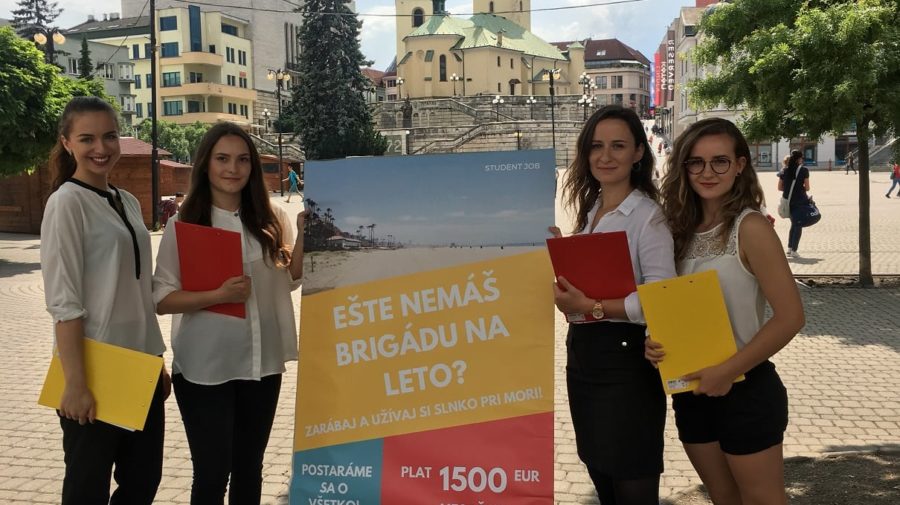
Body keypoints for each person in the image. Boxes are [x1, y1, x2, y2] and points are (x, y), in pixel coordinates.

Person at [649, 117, 805, 505]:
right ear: (683, 167)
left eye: (720, 161)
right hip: (691, 390)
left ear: (739, 165)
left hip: (745, 389)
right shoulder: (676, 230)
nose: (707, 172)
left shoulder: (750, 227)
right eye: (696, 162)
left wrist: (727, 370)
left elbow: (790, 317)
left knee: (763, 500)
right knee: (723, 497)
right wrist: (655, 343)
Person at [153, 123, 305, 505]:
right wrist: (217, 295)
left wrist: (304, 233)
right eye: (222, 159)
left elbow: (290, 279)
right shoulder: (184, 224)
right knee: (212, 474)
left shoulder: (272, 218)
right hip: (206, 367)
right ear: (206, 164)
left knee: (249, 469)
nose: (232, 169)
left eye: (242, 160)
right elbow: (161, 298)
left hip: (261, 365)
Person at [40, 96, 169, 505]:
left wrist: (156, 362)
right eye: (87, 138)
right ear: (67, 143)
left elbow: (137, 291)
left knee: (142, 482)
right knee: (87, 489)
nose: (101, 147)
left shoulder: (125, 199)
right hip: (94, 368)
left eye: (110, 136)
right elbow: (64, 303)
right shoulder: (66, 203)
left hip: (140, 364)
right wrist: (76, 384)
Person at [551, 105, 676, 504]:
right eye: (596, 146)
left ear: (638, 152)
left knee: (632, 478)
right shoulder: (592, 211)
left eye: (618, 146)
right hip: (584, 358)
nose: (605, 156)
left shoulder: (648, 217)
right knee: (600, 472)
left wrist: (593, 305)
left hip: (626, 365)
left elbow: (662, 298)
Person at [777, 150, 810, 258]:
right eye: (802, 158)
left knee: (794, 223)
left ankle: (790, 248)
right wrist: (799, 189)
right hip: (800, 200)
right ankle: (794, 250)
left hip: (788, 200)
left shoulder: (784, 170)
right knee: (798, 225)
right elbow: (807, 188)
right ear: (799, 159)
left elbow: (779, 187)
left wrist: (789, 190)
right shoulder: (804, 170)